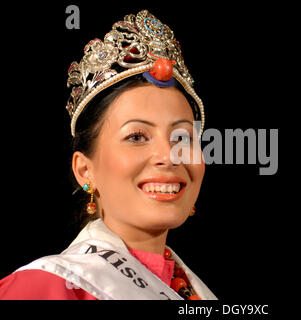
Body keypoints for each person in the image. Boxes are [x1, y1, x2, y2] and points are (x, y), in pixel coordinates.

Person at [0, 9, 216, 300]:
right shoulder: (43, 288)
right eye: (137, 136)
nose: (169, 156)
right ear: (85, 170)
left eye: (182, 138)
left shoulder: (194, 292)